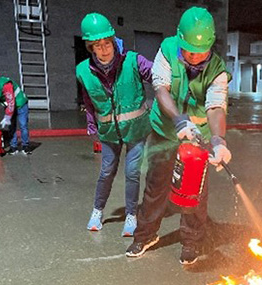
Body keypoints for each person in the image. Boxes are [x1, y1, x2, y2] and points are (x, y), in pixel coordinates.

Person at [126, 7, 232, 265]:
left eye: (201, 52)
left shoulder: (218, 70)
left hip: (198, 139)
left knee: (194, 191)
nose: (194, 57)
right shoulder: (167, 49)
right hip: (165, 131)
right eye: (189, 51)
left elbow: (216, 107)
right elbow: (161, 89)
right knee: (156, 186)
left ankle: (192, 241)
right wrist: (179, 119)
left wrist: (218, 141)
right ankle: (146, 234)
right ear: (180, 41)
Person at [76, 13, 153, 237]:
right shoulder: (83, 71)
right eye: (97, 45)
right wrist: (92, 126)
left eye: (107, 43)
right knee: (106, 171)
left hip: (136, 129)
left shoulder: (133, 61)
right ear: (91, 47)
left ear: (113, 40)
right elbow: (88, 101)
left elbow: (159, 78)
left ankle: (131, 215)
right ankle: (97, 212)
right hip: (109, 132)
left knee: (132, 172)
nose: (104, 49)